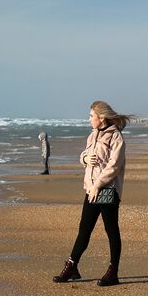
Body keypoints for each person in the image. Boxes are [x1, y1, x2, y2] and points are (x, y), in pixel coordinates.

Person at [54, 101, 128, 286]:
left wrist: (99, 185)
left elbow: (114, 166)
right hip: (91, 189)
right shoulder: (92, 135)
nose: (89, 119)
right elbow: (84, 155)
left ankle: (113, 272)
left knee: (111, 230)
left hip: (107, 190)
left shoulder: (116, 137)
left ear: (101, 118)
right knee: (84, 229)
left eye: (91, 116)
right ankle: (72, 266)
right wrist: (85, 158)